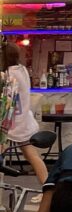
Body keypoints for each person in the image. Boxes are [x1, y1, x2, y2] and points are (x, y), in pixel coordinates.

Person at [1, 44, 49, 189]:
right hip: (23, 119)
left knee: (3, 154)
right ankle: (48, 188)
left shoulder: (9, 74)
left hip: (10, 122)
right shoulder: (21, 69)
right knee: (32, 156)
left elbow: (6, 99)